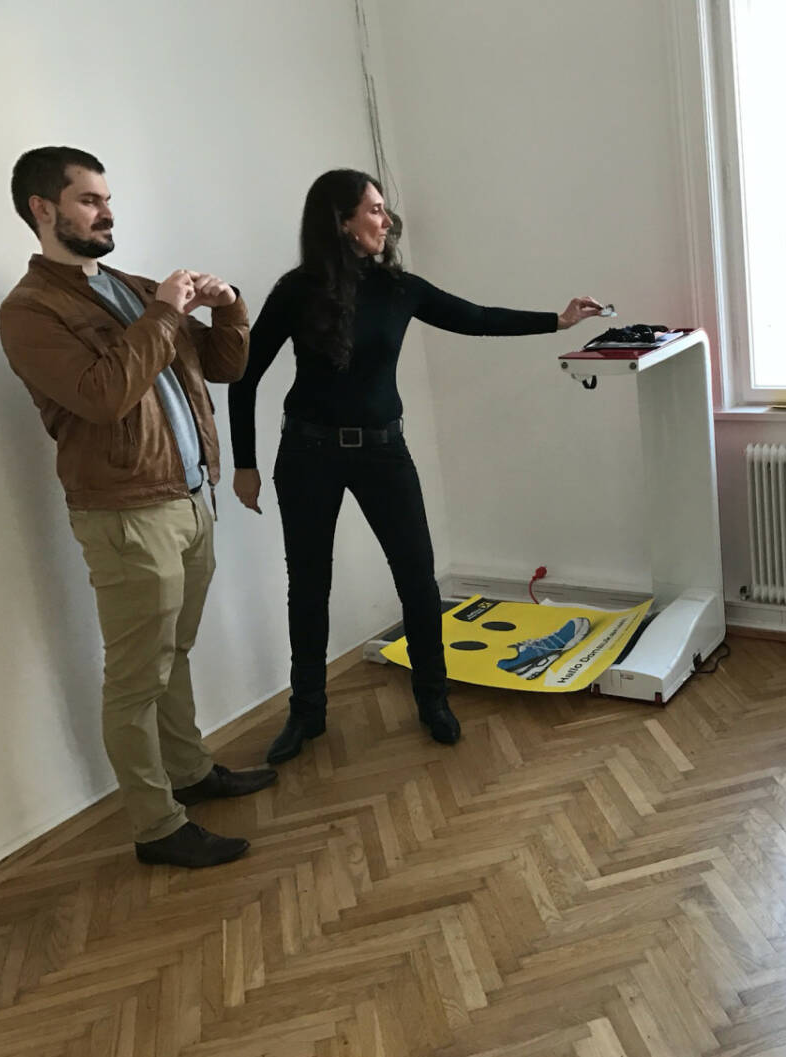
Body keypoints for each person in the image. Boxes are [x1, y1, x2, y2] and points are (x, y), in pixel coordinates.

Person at [228, 169, 603, 764]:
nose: (387, 220)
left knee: (416, 578)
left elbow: (475, 316)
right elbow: (244, 375)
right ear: (341, 221)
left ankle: (432, 699)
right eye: (374, 209)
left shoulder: (399, 289)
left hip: (382, 450)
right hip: (307, 453)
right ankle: (307, 713)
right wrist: (243, 463)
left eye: (383, 209)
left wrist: (555, 321)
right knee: (309, 583)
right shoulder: (297, 290)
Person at [0, 147, 277, 869]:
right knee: (134, 677)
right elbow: (101, 395)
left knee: (173, 654)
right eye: (89, 200)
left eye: (107, 198)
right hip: (125, 514)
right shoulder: (30, 311)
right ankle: (157, 825)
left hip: (187, 498)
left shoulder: (127, 286)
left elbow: (224, 365)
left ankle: (190, 771)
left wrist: (229, 305)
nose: (107, 211)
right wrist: (161, 311)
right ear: (43, 210)